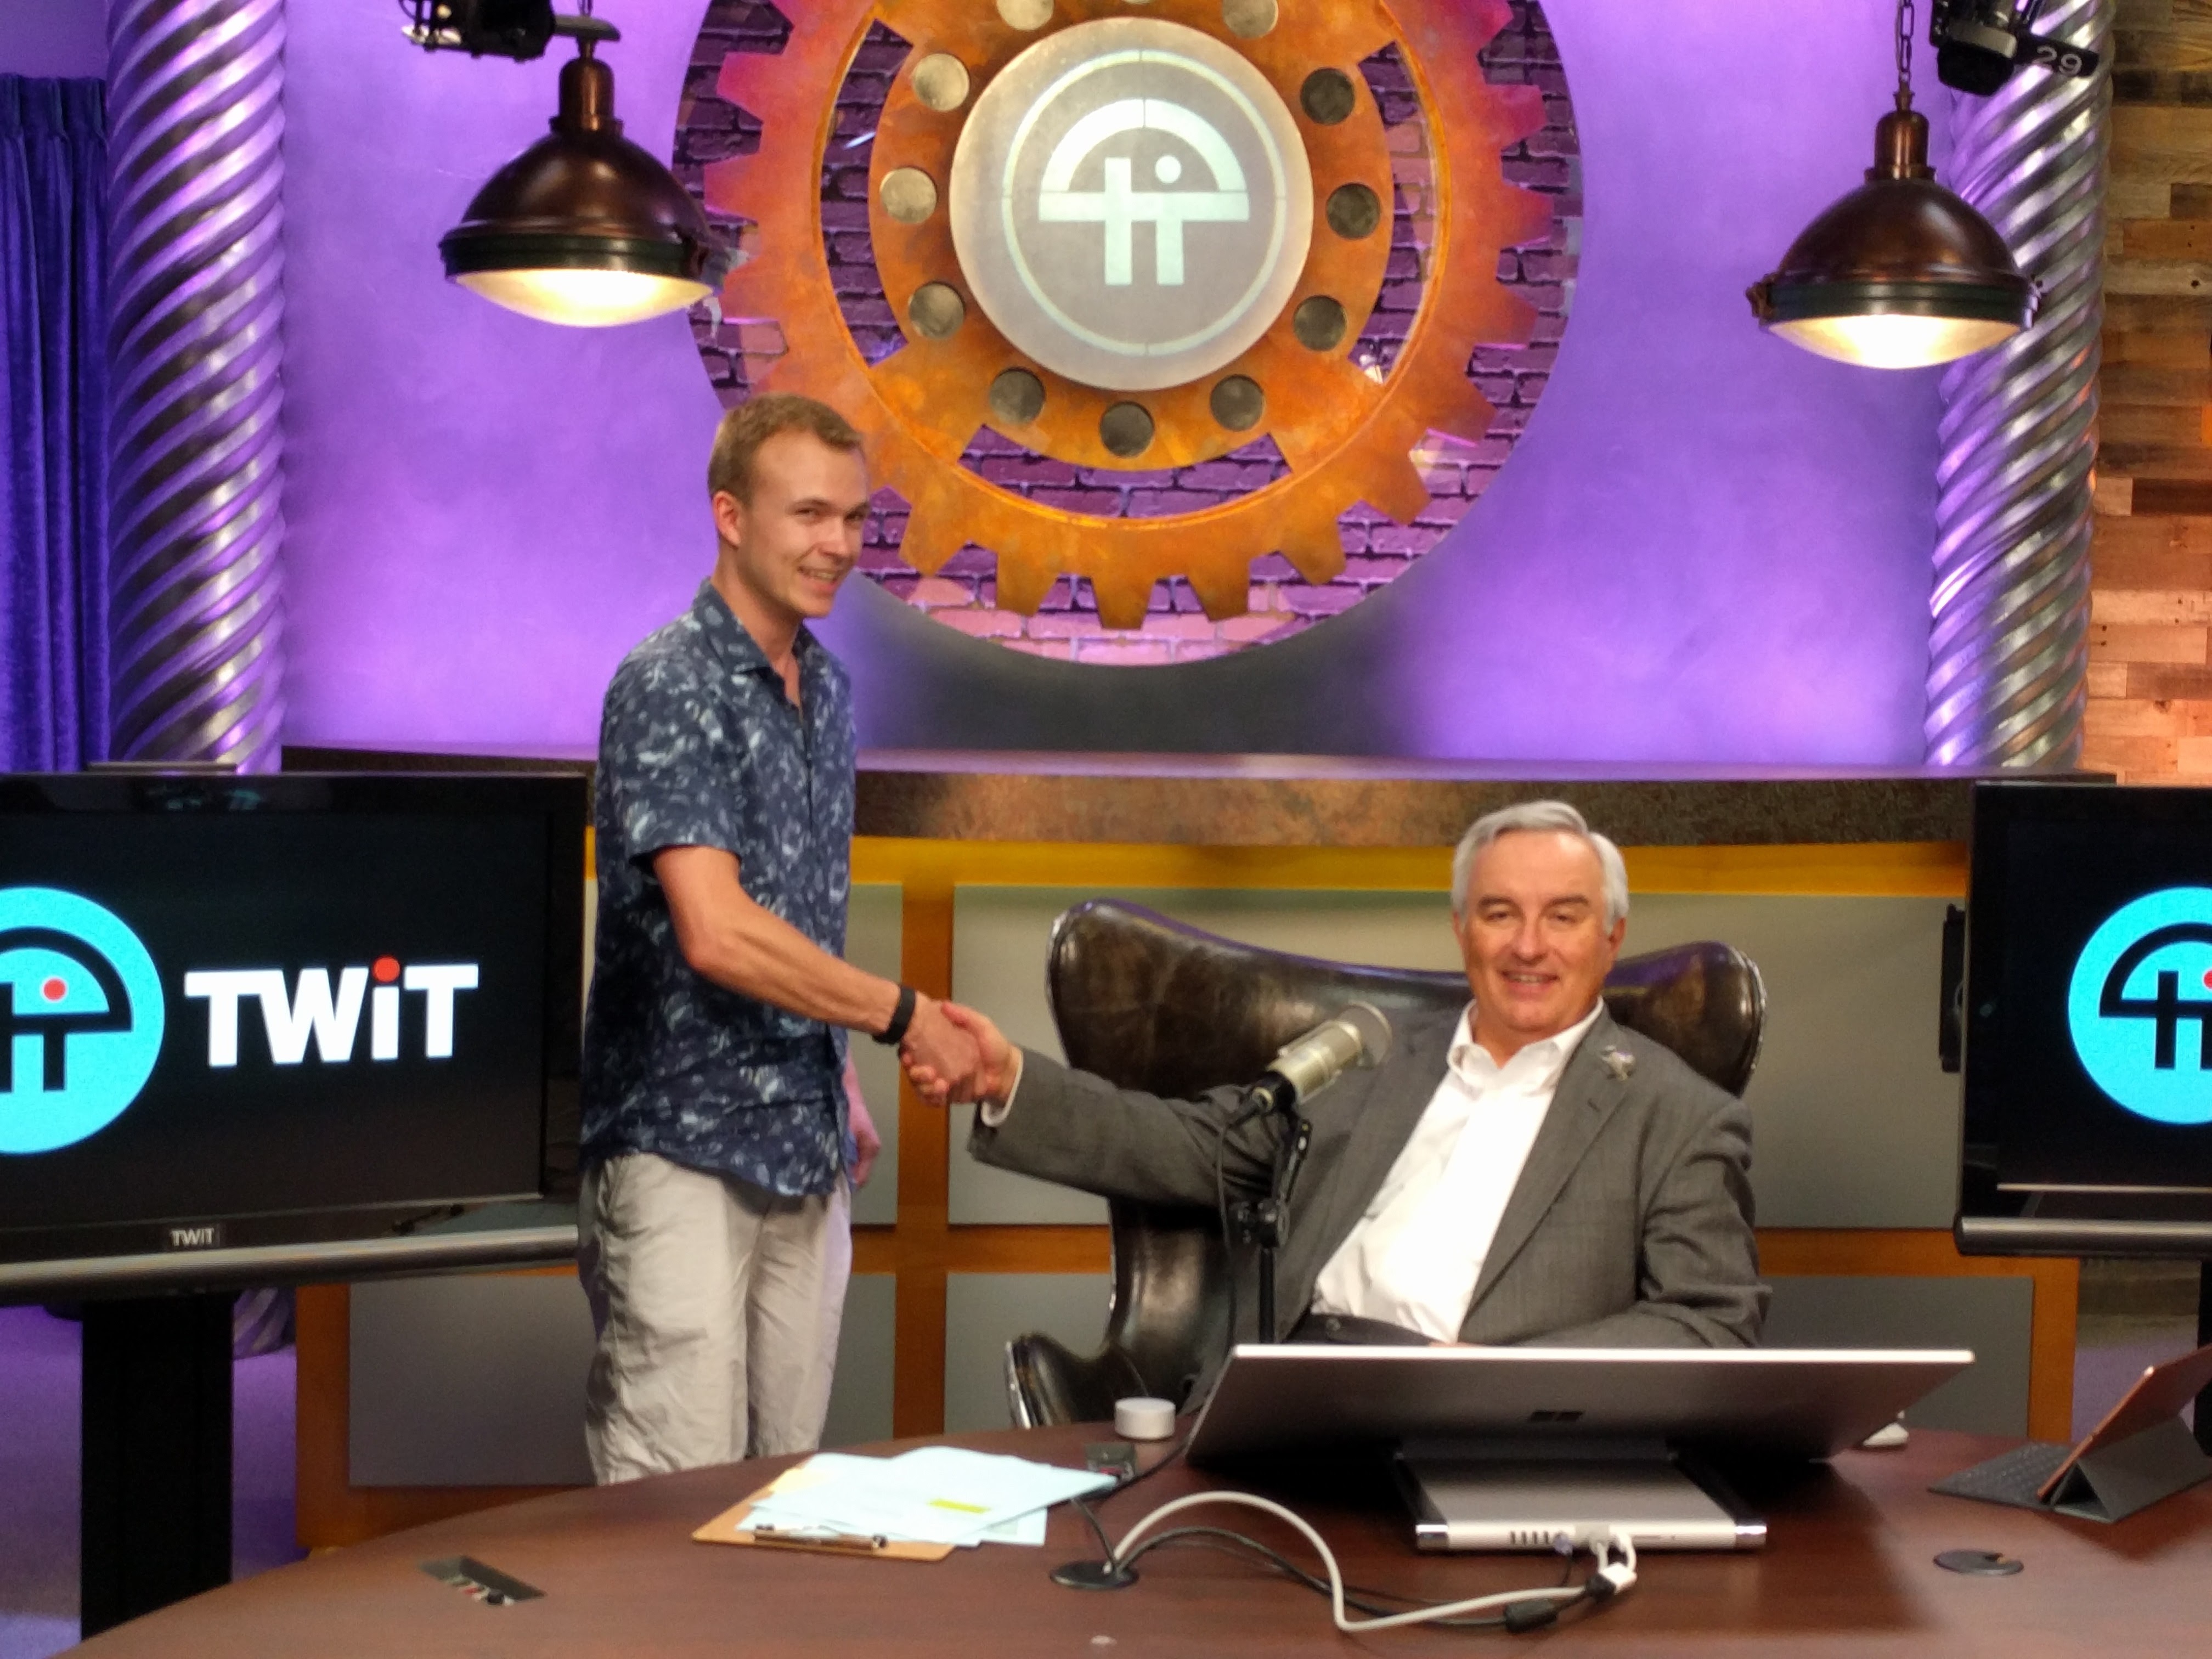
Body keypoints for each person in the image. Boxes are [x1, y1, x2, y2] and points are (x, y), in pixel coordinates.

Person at [905, 800, 1766, 1375]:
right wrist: (1007, 1078)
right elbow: (1197, 1145)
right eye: (1500, 913)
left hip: (1482, 1430)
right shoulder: (1368, 1060)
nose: (1528, 946)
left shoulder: (1679, 1116)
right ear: (1462, 929)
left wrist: (1501, 1379)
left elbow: (1710, 1323)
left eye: (1563, 917)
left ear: (1611, 938)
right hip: (1295, 1396)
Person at [579, 393, 977, 1481]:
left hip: (804, 1141)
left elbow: (796, 911)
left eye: (853, 518)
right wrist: (902, 1017)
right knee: (673, 1500)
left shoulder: (829, 690)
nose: (838, 544)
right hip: (679, 1144)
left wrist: (835, 1071)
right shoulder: (669, 681)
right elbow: (716, 931)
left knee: (786, 1489)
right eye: (809, 514)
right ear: (731, 516)